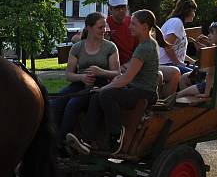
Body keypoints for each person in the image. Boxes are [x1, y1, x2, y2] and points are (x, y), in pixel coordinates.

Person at [66, 10, 161, 156]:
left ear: (145, 26)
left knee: (104, 94)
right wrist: (111, 83)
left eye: (133, 24)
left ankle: (116, 134)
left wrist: (105, 87)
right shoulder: (145, 45)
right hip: (136, 88)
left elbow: (127, 79)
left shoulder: (145, 48)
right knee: (98, 96)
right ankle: (86, 141)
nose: (130, 27)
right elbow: (126, 76)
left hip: (145, 92)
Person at [51, 12, 120, 151]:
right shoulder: (78, 47)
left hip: (99, 85)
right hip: (80, 83)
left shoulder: (110, 47)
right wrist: (81, 77)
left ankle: (62, 142)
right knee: (56, 103)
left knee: (73, 104)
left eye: (105, 27)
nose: (104, 30)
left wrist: (101, 72)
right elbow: (69, 74)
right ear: (89, 28)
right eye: (100, 28)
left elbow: (117, 73)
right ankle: (51, 137)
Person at [178, 22, 217, 99]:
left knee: (179, 95)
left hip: (211, 89)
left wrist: (206, 94)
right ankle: (188, 101)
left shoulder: (215, 53)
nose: (208, 35)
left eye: (212, 33)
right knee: (184, 78)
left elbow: (209, 74)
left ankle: (185, 105)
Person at [158, 0, 196, 74]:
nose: (194, 14)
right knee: (197, 75)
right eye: (193, 11)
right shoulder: (176, 23)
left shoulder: (178, 23)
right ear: (188, 11)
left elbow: (178, 52)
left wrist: (193, 62)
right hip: (166, 64)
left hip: (171, 63)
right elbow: (167, 46)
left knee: (200, 70)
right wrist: (178, 63)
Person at [107, 0, 138, 64]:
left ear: (127, 7)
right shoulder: (105, 25)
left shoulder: (134, 22)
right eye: (117, 8)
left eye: (123, 7)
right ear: (110, 9)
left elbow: (140, 49)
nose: (121, 10)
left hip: (134, 63)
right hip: (113, 67)